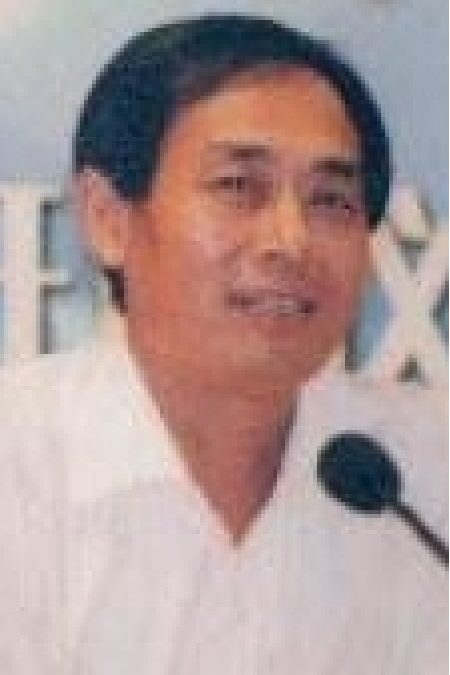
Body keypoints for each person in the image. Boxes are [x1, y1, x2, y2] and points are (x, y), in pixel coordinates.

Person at [0, 14, 448, 675]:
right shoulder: (19, 463)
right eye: (238, 187)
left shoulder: (421, 472)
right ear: (108, 218)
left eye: (331, 200)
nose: (290, 240)